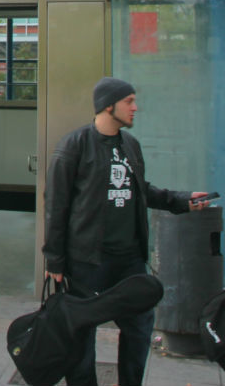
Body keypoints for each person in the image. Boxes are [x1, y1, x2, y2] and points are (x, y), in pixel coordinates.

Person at [43, 76, 209, 386]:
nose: (136, 107)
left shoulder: (130, 145)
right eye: (129, 101)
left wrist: (181, 201)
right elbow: (57, 204)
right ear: (109, 105)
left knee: (140, 325)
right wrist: (55, 258)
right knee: (81, 330)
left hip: (129, 259)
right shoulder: (74, 144)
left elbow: (140, 190)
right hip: (87, 259)